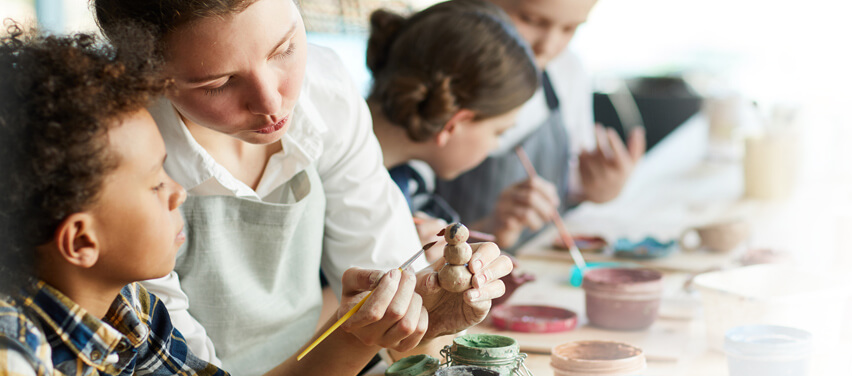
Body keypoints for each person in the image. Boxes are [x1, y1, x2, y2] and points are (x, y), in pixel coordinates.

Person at [91, 0, 513, 374]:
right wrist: (357, 337)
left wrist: (427, 314)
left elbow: (398, 315)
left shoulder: (324, 91)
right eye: (217, 84)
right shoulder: (120, 159)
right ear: (147, 76)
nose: (272, 103)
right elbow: (178, 366)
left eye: (285, 49)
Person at [0, 25, 227, 376]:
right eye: (156, 185)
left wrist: (345, 335)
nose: (178, 192)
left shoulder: (130, 307)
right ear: (81, 240)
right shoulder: (13, 356)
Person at [435, 0, 647, 250]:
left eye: (569, 28)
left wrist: (598, 189)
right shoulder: (437, 79)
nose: (548, 46)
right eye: (532, 21)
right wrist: (490, 227)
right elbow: (408, 241)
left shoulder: (566, 70)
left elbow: (571, 183)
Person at [365, 0, 540, 254]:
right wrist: (401, 265)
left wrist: (491, 227)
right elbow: (300, 294)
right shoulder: (332, 177)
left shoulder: (405, 178)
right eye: (498, 133)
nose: (496, 145)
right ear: (453, 124)